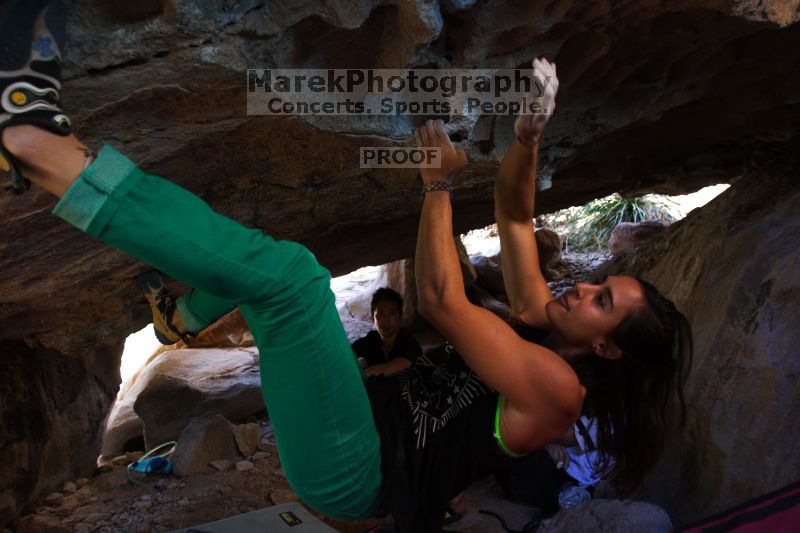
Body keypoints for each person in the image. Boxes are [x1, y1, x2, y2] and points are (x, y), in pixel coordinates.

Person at [0, 4, 691, 530]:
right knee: (273, 256)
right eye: (600, 281)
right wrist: (530, 138)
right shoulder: (544, 322)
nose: (584, 287)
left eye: (603, 300)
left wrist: (437, 187)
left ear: (606, 346)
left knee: (296, 281)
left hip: (359, 472)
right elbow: (514, 217)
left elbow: (443, 302)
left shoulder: (558, 387)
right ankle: (181, 317)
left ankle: (40, 148)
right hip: (362, 418)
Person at [351, 287, 423, 377]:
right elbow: (346, 355)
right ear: (373, 318)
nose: (386, 319)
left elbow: (390, 368)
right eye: (381, 314)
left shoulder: (409, 343)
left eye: (392, 313)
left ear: (400, 317)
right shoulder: (371, 339)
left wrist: (359, 375)